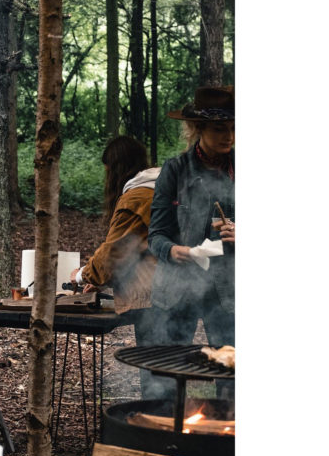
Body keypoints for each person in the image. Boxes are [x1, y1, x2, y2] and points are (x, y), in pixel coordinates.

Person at [147, 86, 235, 347]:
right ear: (198, 128)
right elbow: (156, 235)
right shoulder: (175, 170)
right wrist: (171, 250)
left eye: (233, 128)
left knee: (233, 376)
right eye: (219, 129)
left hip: (229, 293)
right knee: (167, 376)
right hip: (176, 289)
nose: (229, 136)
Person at [69, 135, 161, 346]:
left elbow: (115, 252)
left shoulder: (137, 198)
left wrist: (83, 275)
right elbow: (140, 249)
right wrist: (103, 281)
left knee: (155, 371)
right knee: (170, 369)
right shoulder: (161, 189)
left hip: (156, 298)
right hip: (178, 293)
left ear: (116, 168)